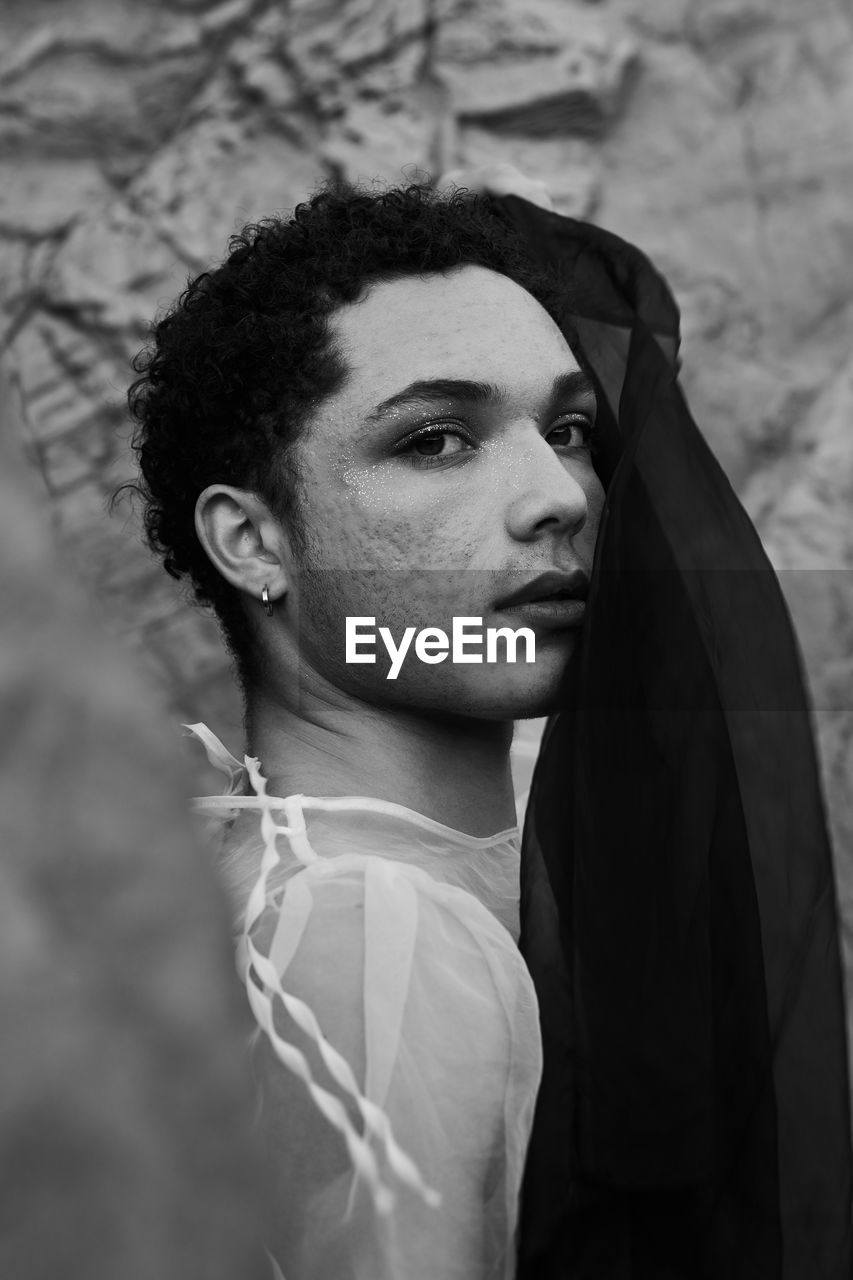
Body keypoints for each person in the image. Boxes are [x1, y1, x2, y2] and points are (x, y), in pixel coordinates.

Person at [124, 172, 852, 1280]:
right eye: (436, 440)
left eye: (566, 427)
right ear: (254, 542)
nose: (558, 494)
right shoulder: (374, 927)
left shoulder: (430, 838)